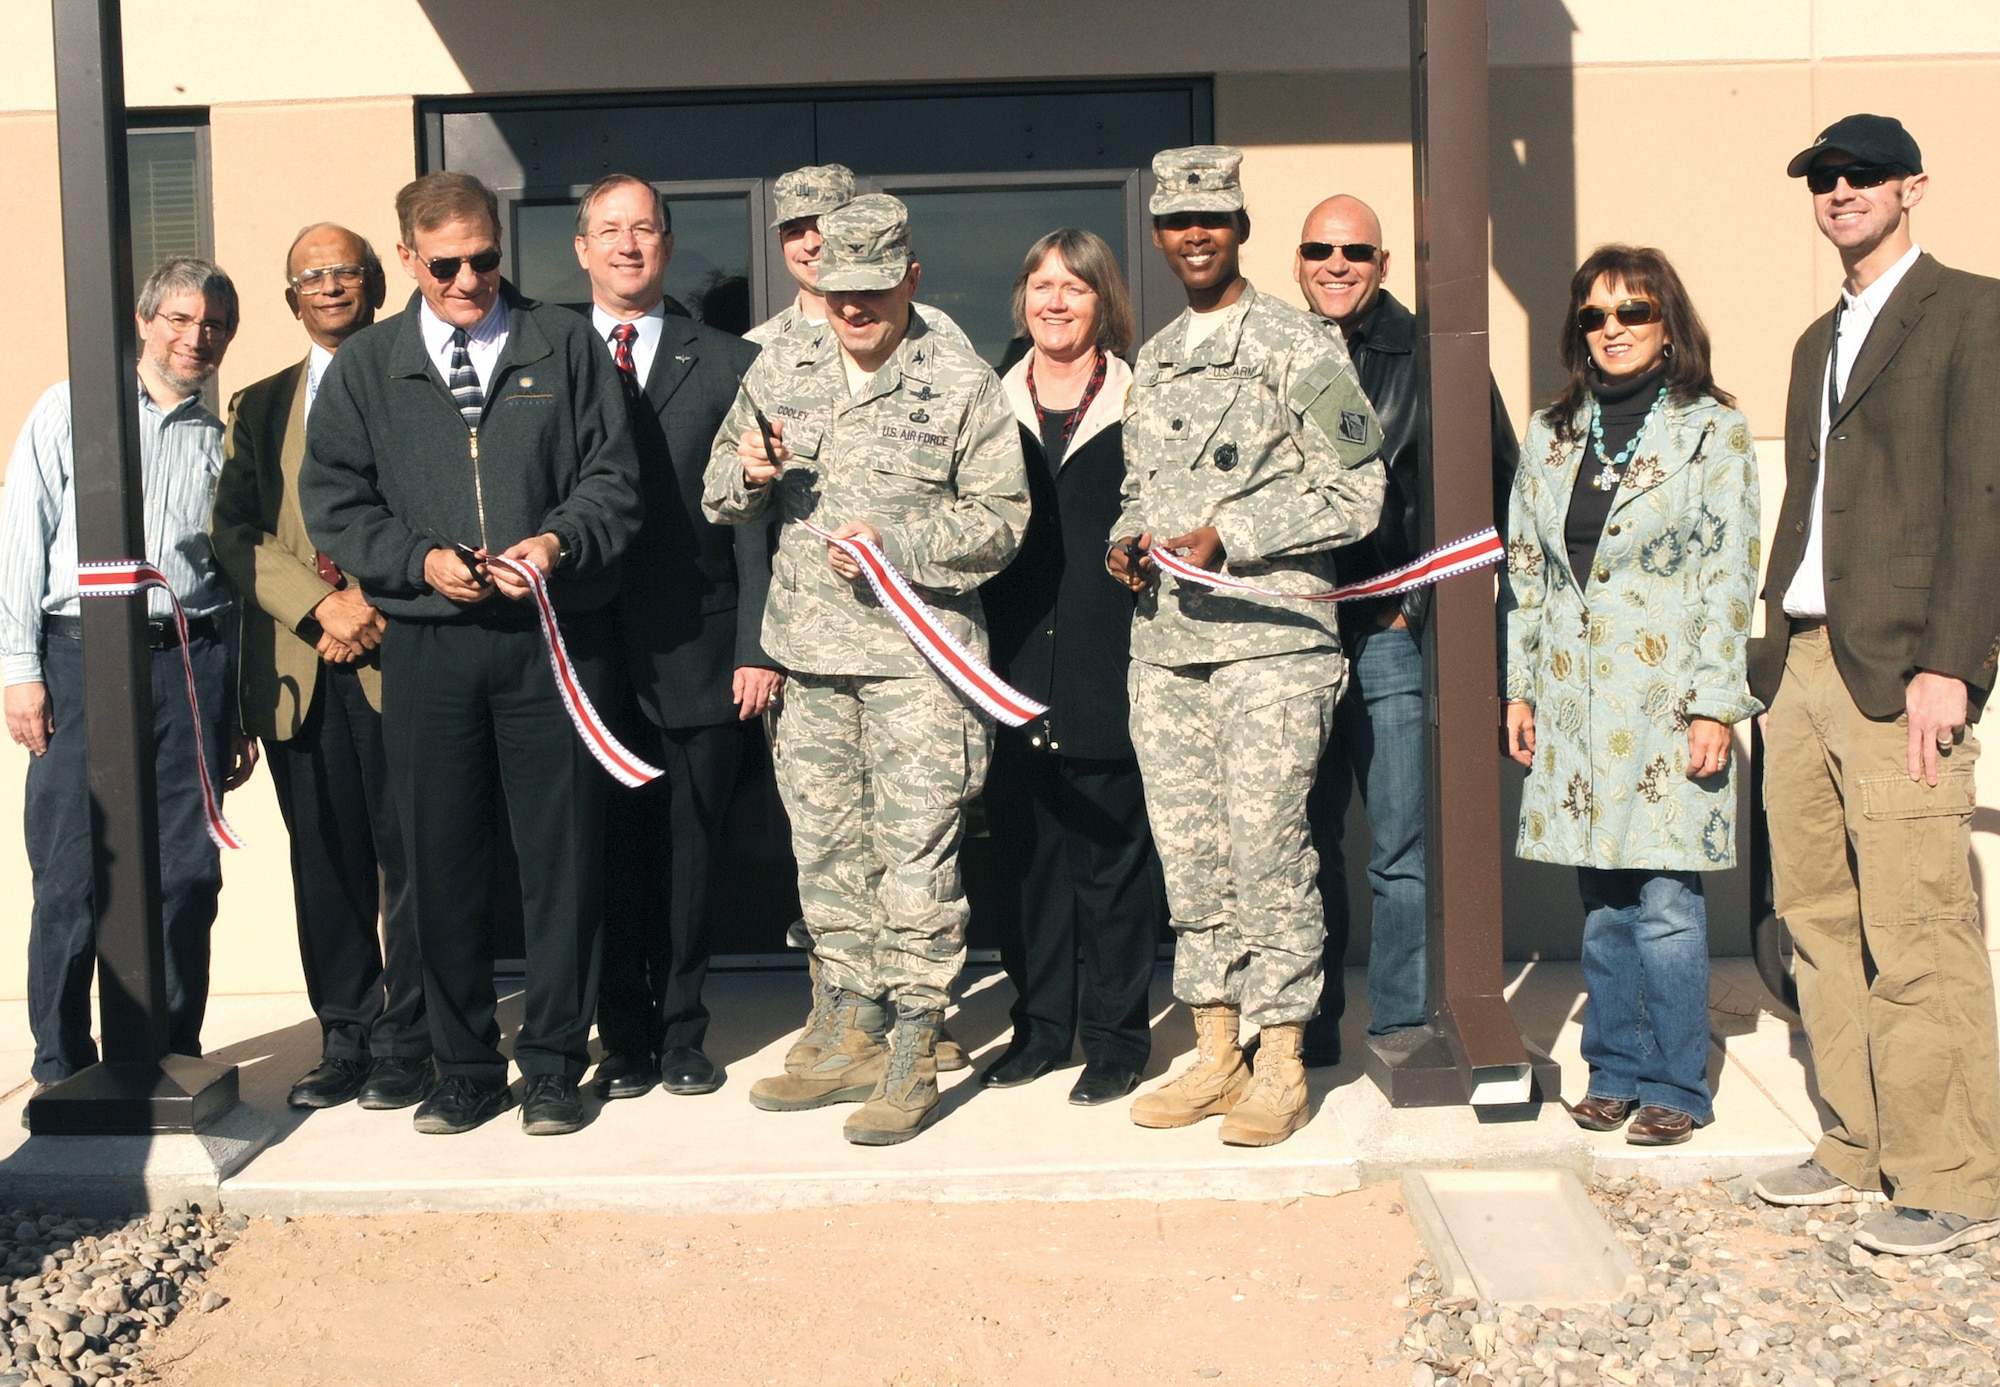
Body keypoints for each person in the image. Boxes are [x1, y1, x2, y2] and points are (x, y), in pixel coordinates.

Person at [300, 171, 642, 1137]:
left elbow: (614, 478)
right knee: (439, 861)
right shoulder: (369, 365)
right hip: (428, 650)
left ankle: (550, 1064)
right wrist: (416, 560)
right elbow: (335, 498)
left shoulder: (563, 342)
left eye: (485, 258)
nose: (467, 280)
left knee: (560, 859)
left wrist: (556, 542)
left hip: (549, 643)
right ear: (406, 258)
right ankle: (461, 1066)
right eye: (444, 263)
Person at [703, 194, 1028, 1145]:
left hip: (916, 667)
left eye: (874, 291)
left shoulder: (962, 380)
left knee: (916, 858)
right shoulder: (777, 366)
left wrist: (901, 543)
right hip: (808, 661)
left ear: (911, 279)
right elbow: (720, 490)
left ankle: (917, 1045)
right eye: (839, 290)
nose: (855, 308)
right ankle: (849, 1027)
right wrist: (749, 475)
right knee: (827, 853)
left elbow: (1003, 520)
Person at [1748, 115, 2000, 1255]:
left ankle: (1948, 1172)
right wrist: (1766, 646)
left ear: (1913, 186)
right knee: (1815, 917)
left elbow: (1981, 502)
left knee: (1919, 922)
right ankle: (1853, 1139)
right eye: (1823, 178)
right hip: (1800, 661)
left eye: (1860, 176)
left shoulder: (1973, 312)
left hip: (1902, 666)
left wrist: (1953, 661)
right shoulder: (1815, 338)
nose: (1839, 191)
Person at [1107, 146, 1385, 1147]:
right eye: (1178, 220)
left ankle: (1278, 1056)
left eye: (1212, 219)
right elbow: (1140, 489)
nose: (1194, 235)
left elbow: (1360, 491)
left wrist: (1234, 532)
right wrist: (1125, 543)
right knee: (1191, 858)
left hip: (1272, 643)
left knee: (1267, 851)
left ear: (1239, 229)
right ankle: (1214, 1048)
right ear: (1156, 235)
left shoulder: (1299, 346)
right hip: (1170, 648)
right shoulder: (1159, 356)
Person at [1500, 245, 1759, 1148]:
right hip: (1575, 704)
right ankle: (1613, 1069)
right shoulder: (1553, 431)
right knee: (1603, 901)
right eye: (1595, 316)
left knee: (1667, 904)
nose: (1613, 330)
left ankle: (1676, 1084)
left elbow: (1730, 575)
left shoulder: (1712, 432)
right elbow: (1526, 571)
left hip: (1665, 698)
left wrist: (1715, 702)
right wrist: (1519, 689)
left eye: (1634, 312)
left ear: (1668, 323)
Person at [1, 255, 255, 1090]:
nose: (197, 336)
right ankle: (61, 1062)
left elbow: (232, 577)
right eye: (179, 319)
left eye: (213, 323)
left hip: (190, 665)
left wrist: (235, 706)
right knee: (74, 870)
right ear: (144, 323)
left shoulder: (221, 441)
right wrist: (19, 669)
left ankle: (169, 1048)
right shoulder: (71, 409)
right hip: (78, 660)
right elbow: (21, 537)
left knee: (188, 869)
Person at [1291, 195, 1517, 1067]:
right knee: (1299, 841)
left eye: (1355, 251)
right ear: (1298, 259)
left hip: (1387, 632)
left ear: (1382, 264)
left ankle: (1393, 1024)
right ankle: (1305, 1021)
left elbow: (1496, 491)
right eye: (1320, 248)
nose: (1336, 264)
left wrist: (1420, 603)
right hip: (1293, 637)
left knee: (1397, 844)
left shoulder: (1430, 356)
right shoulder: (1273, 350)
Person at [211, 224, 432, 1112]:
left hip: (401, 652)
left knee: (414, 853)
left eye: (346, 270)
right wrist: (320, 605)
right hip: (301, 669)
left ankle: (410, 1038)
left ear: (376, 285)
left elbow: (442, 504)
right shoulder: (258, 406)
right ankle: (345, 1033)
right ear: (291, 297)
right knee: (327, 861)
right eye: (312, 275)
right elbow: (234, 532)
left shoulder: (420, 384)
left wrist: (372, 601)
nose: (330, 284)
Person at [571, 173, 779, 1102]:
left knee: (692, 849)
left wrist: (754, 642)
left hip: (695, 642)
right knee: (604, 845)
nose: (627, 245)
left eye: (643, 229)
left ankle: (685, 1028)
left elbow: (756, 522)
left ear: (665, 245)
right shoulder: (545, 352)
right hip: (582, 648)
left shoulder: (729, 360)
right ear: (581, 248)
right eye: (609, 231)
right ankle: (623, 1032)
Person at [977, 228, 1166, 1107]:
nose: (1056, 301)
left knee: (1110, 866)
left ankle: (1117, 1039)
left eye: (1075, 288)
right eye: (1041, 284)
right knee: (1029, 863)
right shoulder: (986, 401)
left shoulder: (1143, 397)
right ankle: (1041, 1028)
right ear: (1022, 297)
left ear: (1103, 302)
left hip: (1109, 666)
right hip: (1011, 668)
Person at [745, 164, 974, 356]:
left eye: (823, 228)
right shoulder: (760, 346)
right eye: (794, 231)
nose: (810, 244)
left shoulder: (931, 328)